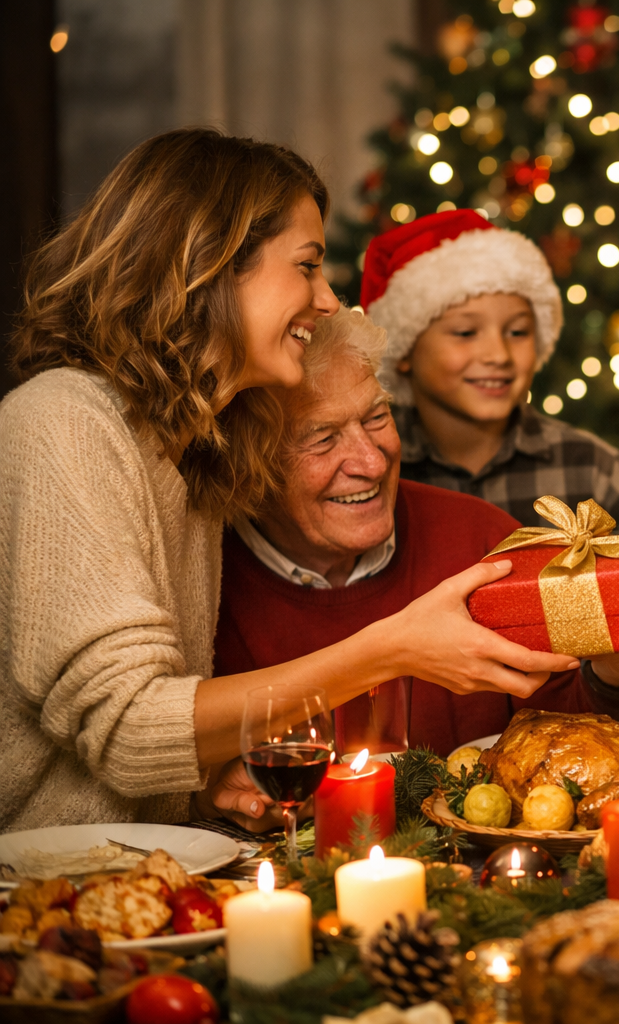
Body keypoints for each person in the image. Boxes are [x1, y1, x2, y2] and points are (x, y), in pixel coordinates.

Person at [0, 129, 577, 832]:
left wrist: (208, 783)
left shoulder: (188, 458)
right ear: (210, 265)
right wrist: (392, 648)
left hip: (136, 881)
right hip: (40, 892)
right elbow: (128, 730)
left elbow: (145, 747)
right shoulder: (63, 419)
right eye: (306, 266)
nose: (328, 300)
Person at [215, 309, 619, 765]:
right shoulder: (210, 584)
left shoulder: (484, 541)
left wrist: (618, 679)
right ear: (251, 463)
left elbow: (582, 749)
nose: (374, 462)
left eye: (376, 417)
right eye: (323, 438)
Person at [363, 209, 619, 536]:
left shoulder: (595, 470)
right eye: (465, 332)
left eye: (517, 332)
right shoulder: (371, 466)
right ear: (403, 348)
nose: (498, 355)